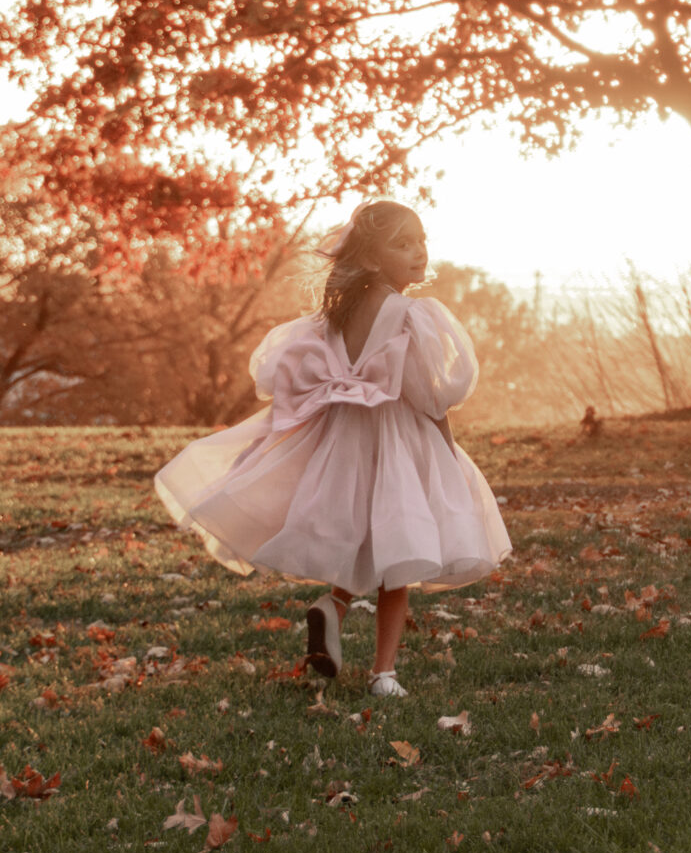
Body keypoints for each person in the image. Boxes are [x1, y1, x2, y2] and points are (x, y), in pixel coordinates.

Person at [155, 200, 511, 698]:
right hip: (395, 436)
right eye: (402, 244)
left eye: (421, 240)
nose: (418, 252)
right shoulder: (410, 314)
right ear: (370, 258)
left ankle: (334, 607)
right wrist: (447, 448)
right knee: (399, 550)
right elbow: (427, 392)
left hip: (345, 434)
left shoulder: (338, 311)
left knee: (369, 535)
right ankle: (383, 673)